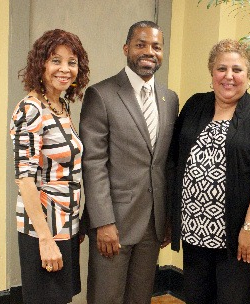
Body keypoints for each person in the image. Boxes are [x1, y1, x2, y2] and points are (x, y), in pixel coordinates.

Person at [168, 39, 250, 304]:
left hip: (237, 237)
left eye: (237, 70)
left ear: (248, 76)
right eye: (221, 69)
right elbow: (175, 160)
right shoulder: (195, 105)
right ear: (211, 73)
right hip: (195, 230)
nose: (229, 76)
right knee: (196, 298)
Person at [79, 20, 179, 304]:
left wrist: (169, 217)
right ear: (126, 49)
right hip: (114, 222)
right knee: (106, 297)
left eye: (156, 46)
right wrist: (103, 221)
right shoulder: (102, 95)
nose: (149, 51)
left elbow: (166, 163)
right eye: (141, 44)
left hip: (153, 222)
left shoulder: (169, 99)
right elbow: (93, 163)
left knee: (140, 298)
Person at [9, 29, 90, 304]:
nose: (65, 69)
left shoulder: (60, 105)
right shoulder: (31, 109)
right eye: (56, 60)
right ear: (41, 64)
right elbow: (25, 180)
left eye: (72, 61)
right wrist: (45, 239)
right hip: (44, 228)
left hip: (66, 223)